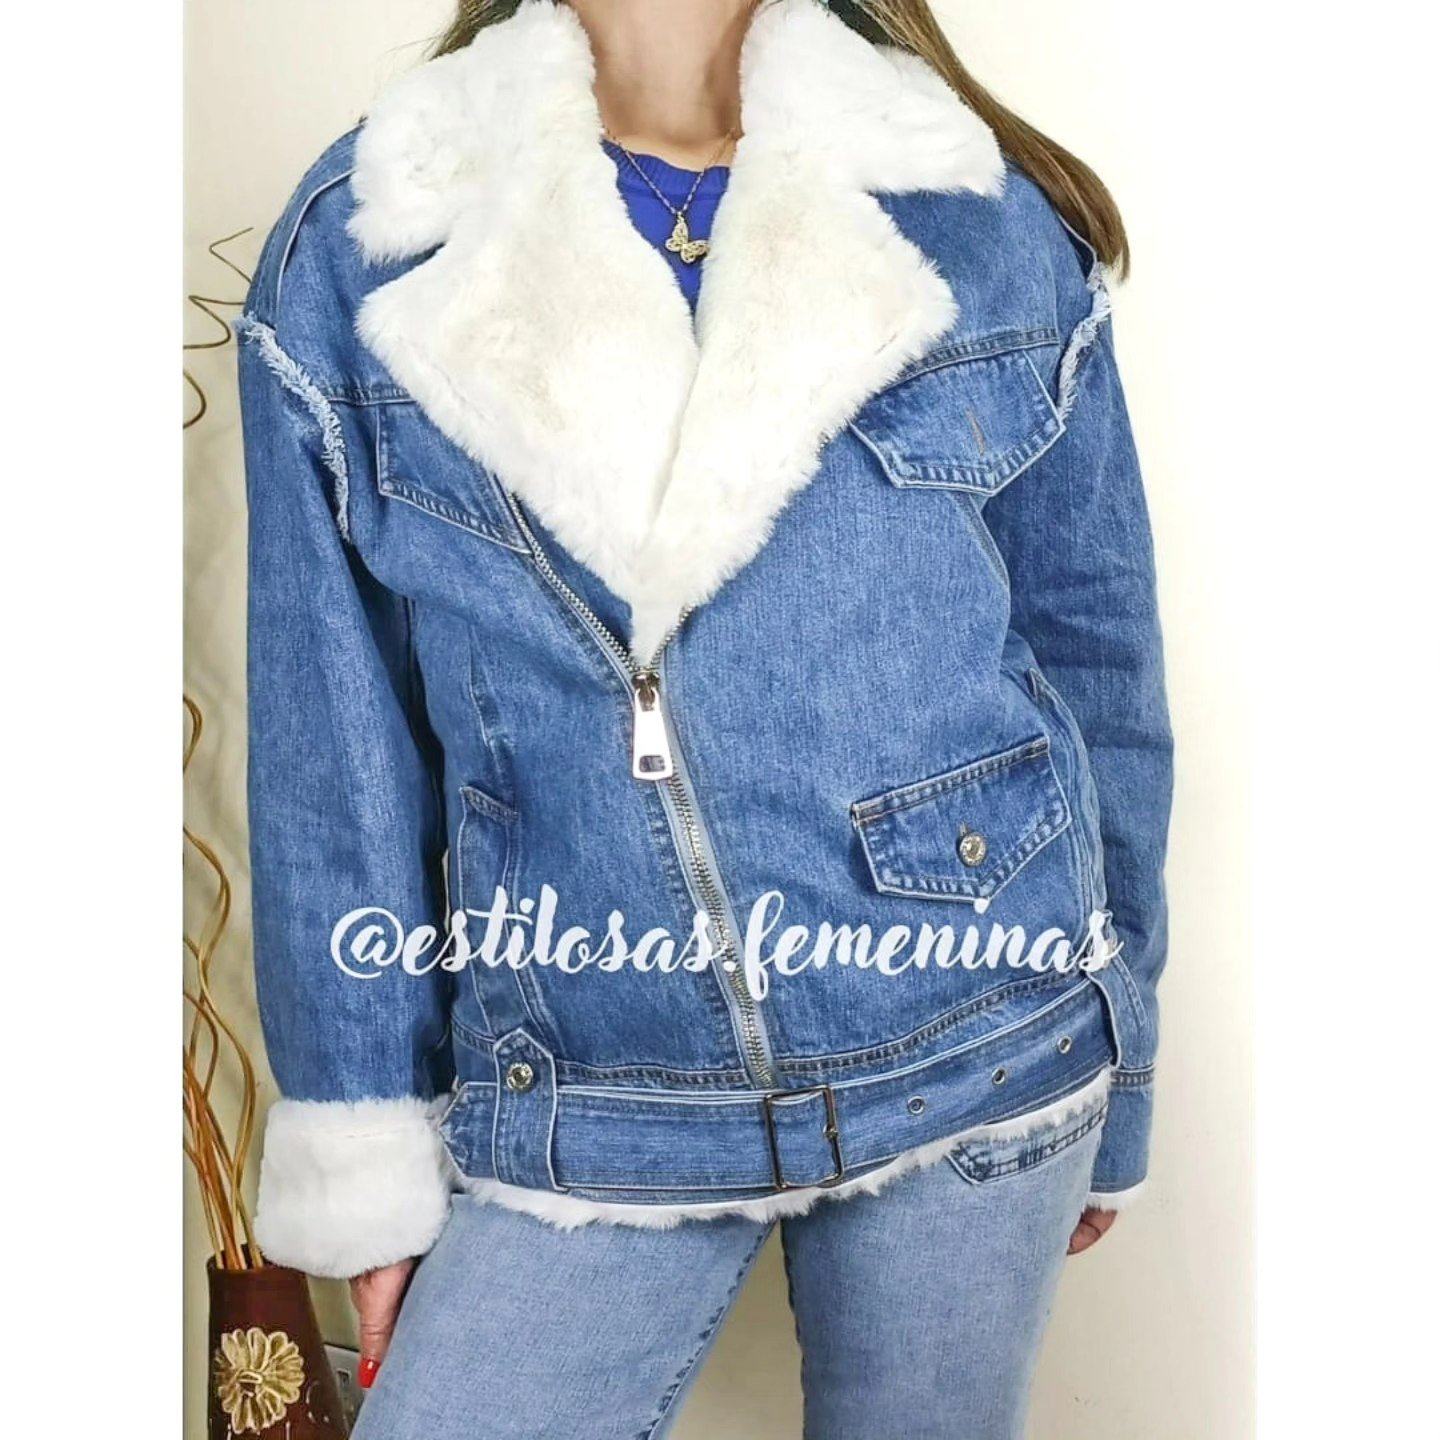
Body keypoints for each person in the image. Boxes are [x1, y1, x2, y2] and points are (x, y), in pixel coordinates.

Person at [233, 1, 1173, 1434]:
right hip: (589, 1079)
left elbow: (1098, 659)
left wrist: (1129, 1064)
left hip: (982, 1036)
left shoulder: (972, 202)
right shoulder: (367, 238)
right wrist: (366, 1146)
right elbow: (333, 759)